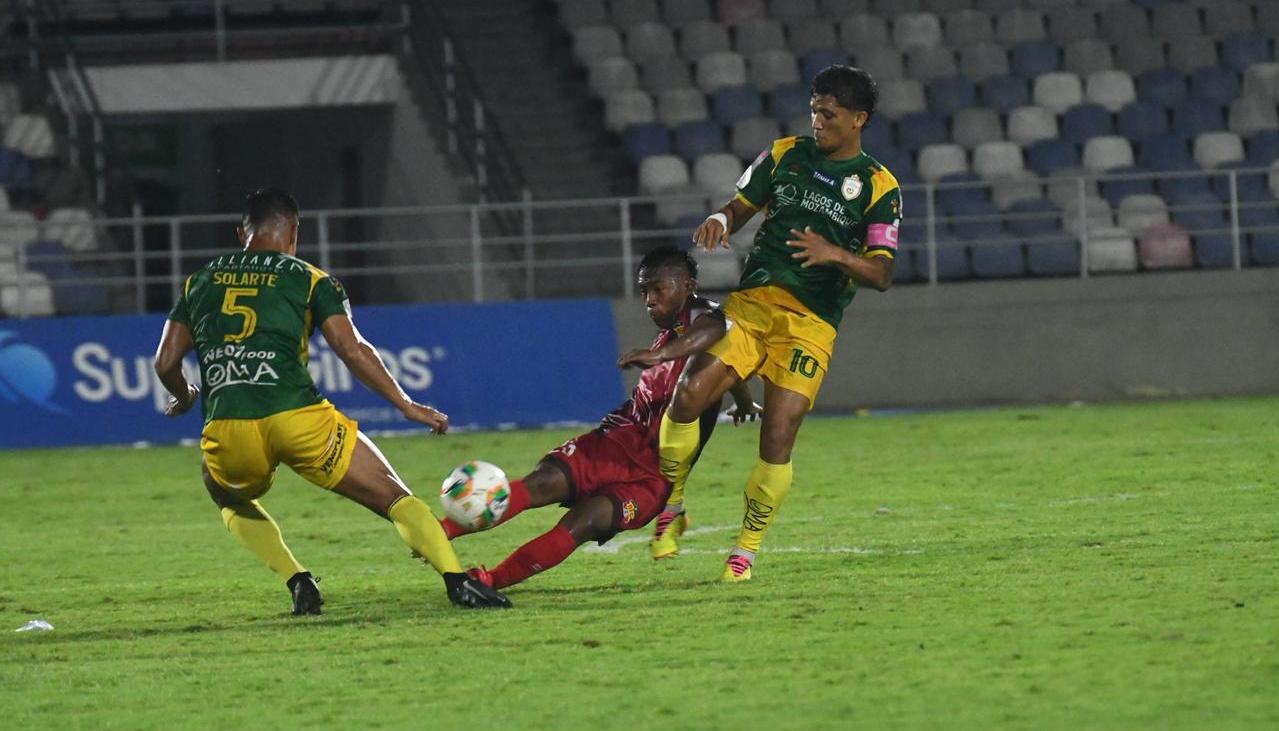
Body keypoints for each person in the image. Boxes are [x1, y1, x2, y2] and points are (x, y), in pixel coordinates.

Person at [153, 188, 510, 613]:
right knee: (392, 496)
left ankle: (297, 579)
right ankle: (457, 582)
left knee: (224, 492)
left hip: (230, 426)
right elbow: (352, 349)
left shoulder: (201, 280)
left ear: (241, 233)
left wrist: (186, 395)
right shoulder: (309, 278)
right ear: (293, 233)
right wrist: (405, 404)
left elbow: (165, 362)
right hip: (299, 418)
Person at [655, 65, 902, 582]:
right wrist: (722, 219)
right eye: (814, 111)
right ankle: (672, 506)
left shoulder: (880, 187)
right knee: (688, 395)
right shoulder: (785, 153)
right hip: (752, 305)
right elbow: (742, 204)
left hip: (812, 323)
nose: (817, 122)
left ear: (858, 119)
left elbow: (881, 272)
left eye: (828, 114)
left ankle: (746, 548)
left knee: (778, 431)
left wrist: (832, 252)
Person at [444, 246, 760, 590]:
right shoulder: (675, 336)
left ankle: (490, 581)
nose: (649, 300)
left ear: (686, 285)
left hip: (650, 478)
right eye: (644, 292)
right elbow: (731, 370)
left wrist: (660, 356)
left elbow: (717, 330)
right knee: (542, 482)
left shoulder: (705, 315)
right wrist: (743, 402)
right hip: (611, 443)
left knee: (585, 521)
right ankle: (444, 529)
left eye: (658, 289)